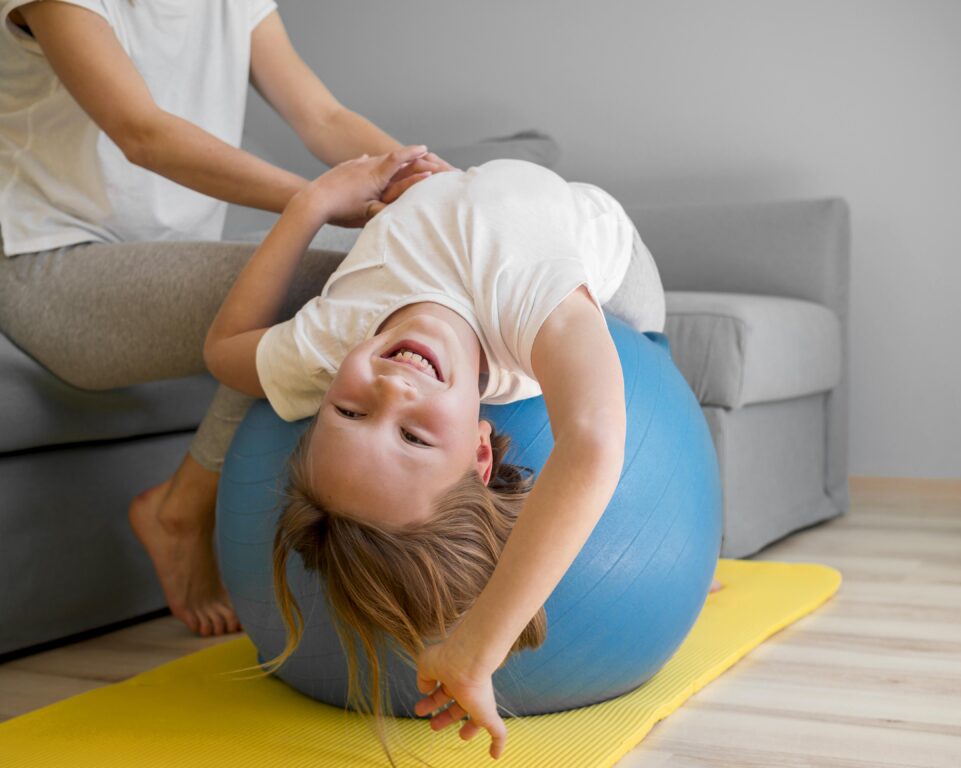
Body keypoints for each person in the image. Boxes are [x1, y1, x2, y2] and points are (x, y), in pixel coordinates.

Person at [204, 156, 677, 761]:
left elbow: (223, 354)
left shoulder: (329, 340)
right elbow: (593, 440)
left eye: (348, 412)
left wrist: (311, 206)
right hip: (610, 261)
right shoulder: (521, 290)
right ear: (482, 450)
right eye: (414, 438)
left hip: (475, 200)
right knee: (645, 368)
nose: (389, 390)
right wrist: (478, 646)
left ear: (324, 395)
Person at [0, 0, 448, 637]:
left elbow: (321, 116)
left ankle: (183, 505)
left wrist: (433, 183)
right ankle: (181, 510)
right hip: (52, 268)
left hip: (158, 263)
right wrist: (318, 199)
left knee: (383, 268)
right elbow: (141, 133)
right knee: (329, 286)